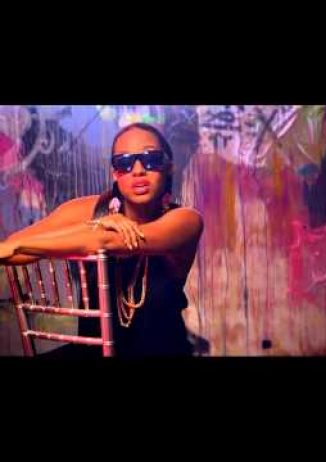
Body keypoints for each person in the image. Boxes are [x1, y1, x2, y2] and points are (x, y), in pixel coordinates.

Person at [0, 122, 203, 357]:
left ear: (168, 167)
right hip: (92, 350)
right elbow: (11, 248)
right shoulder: (89, 209)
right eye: (125, 163)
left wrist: (95, 228)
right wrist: (96, 224)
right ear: (115, 173)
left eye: (151, 159)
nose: (138, 170)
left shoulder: (186, 220)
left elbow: (111, 241)